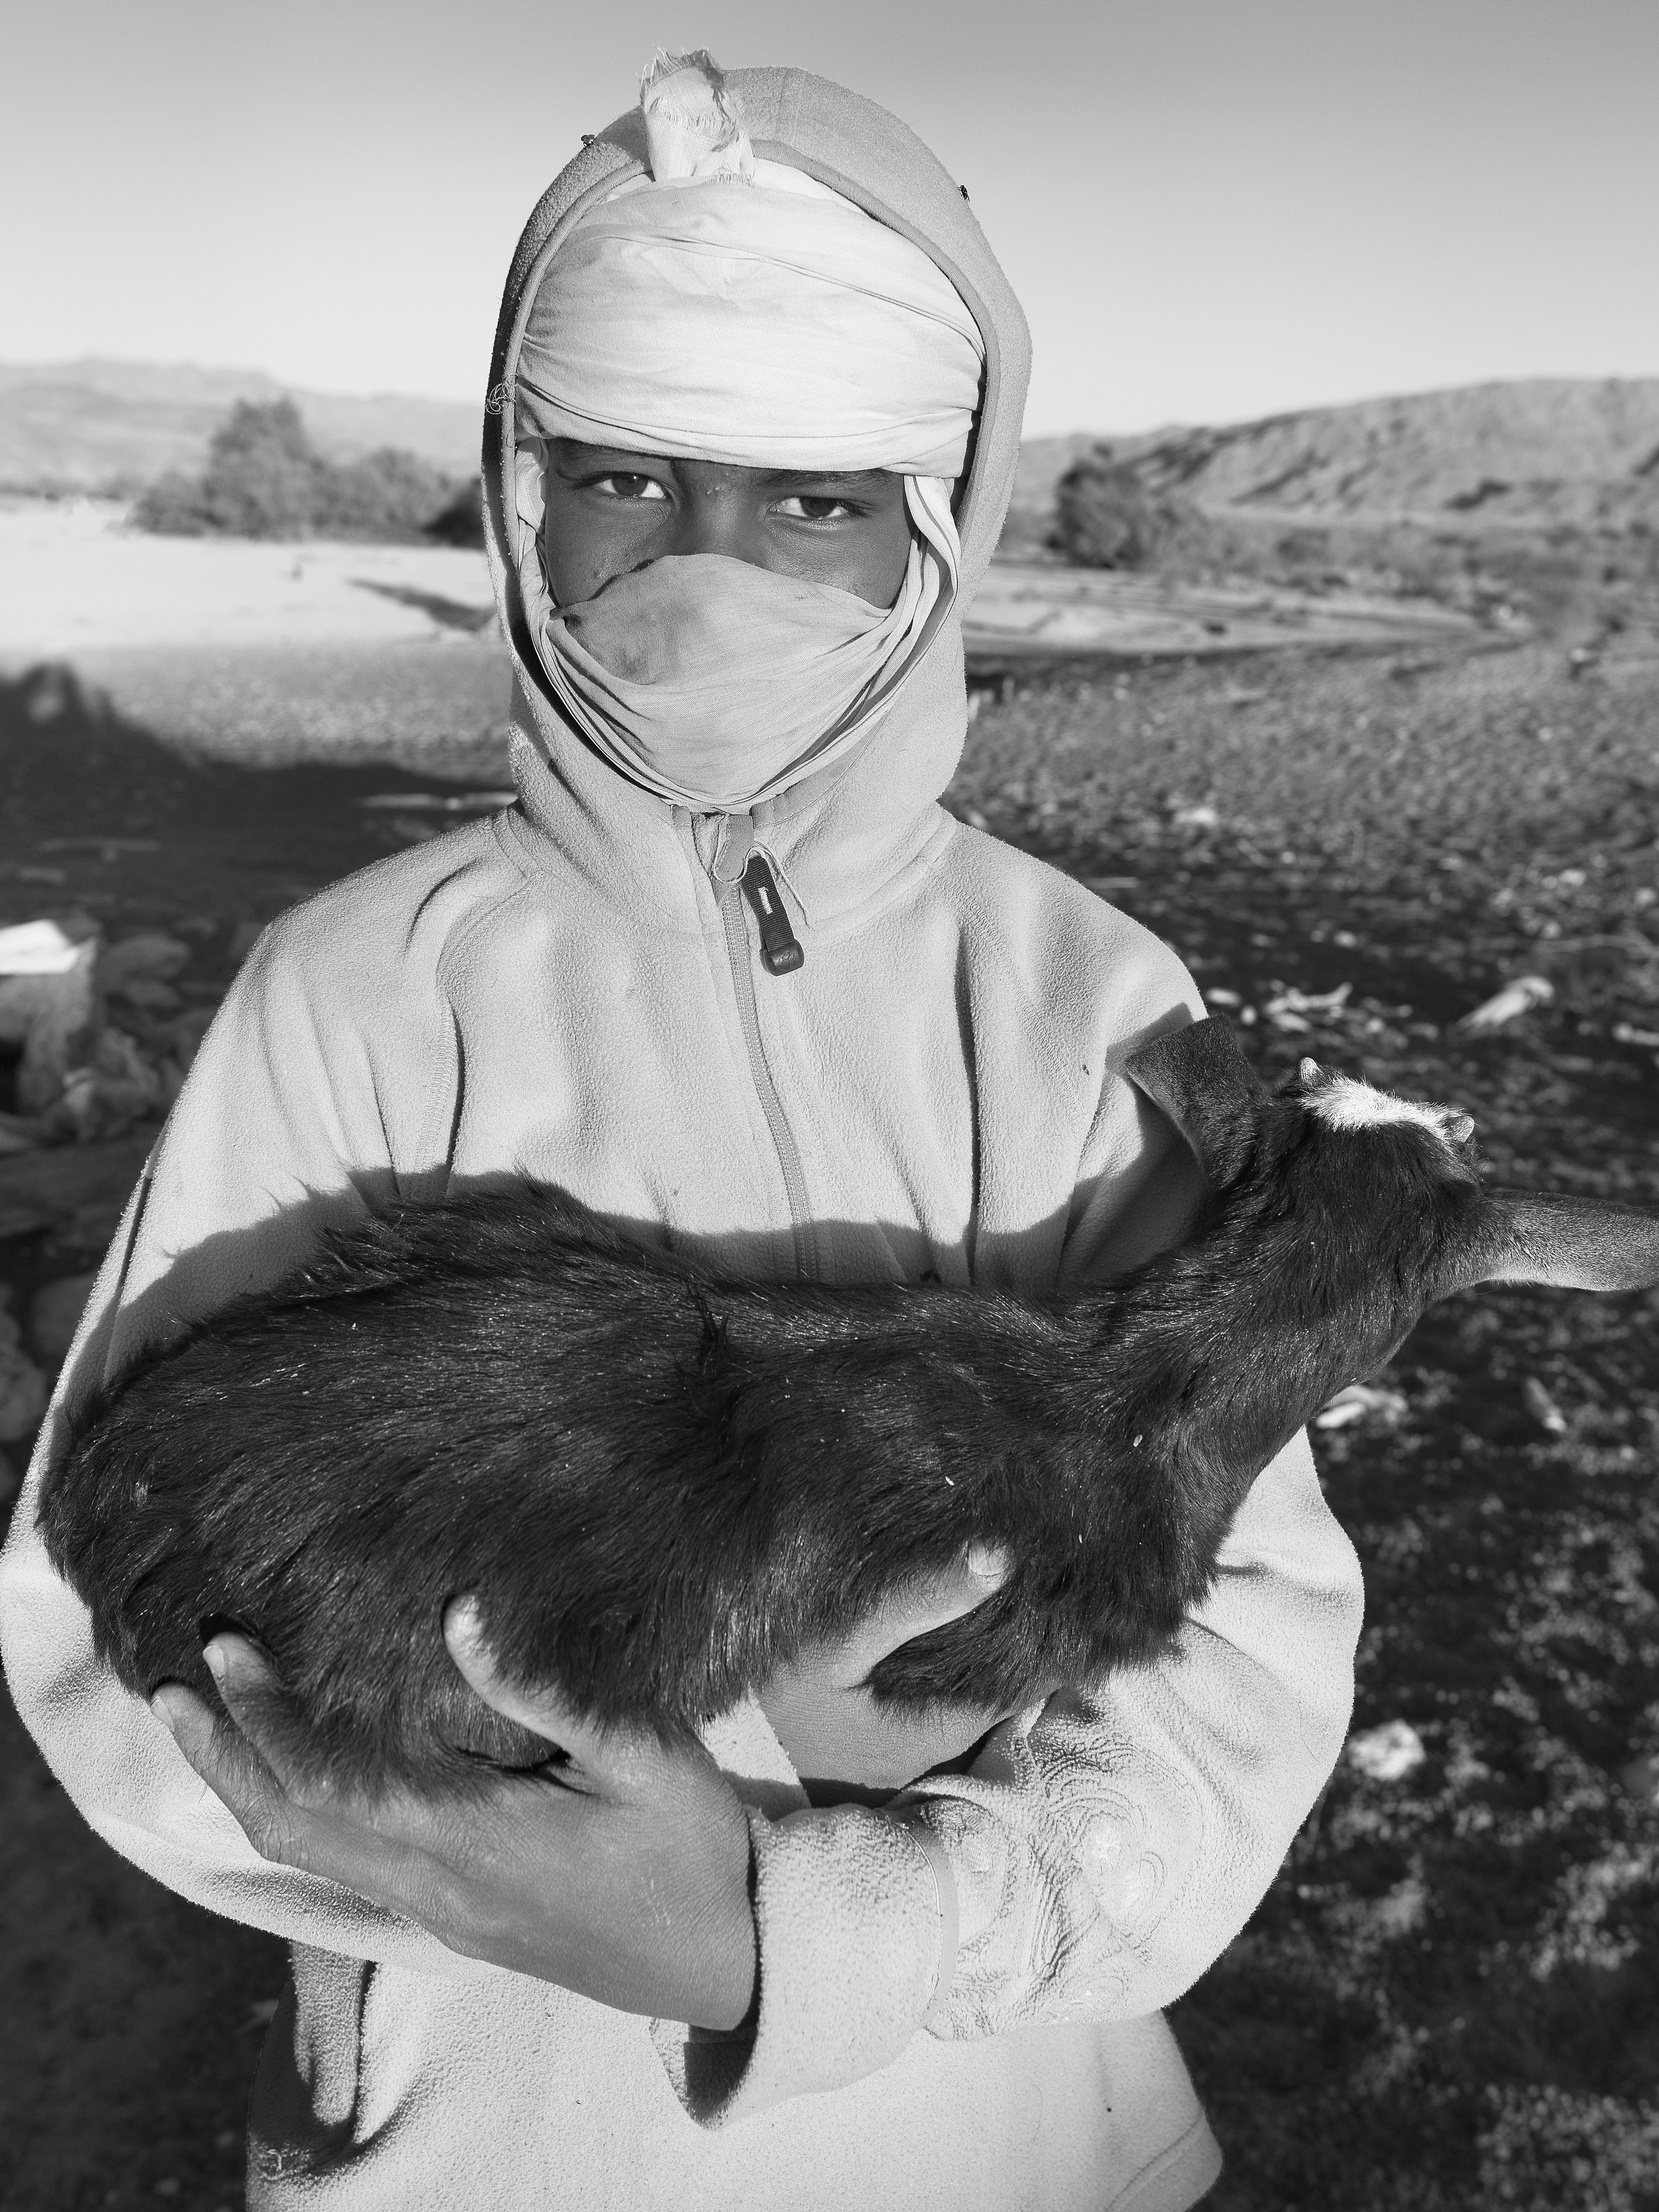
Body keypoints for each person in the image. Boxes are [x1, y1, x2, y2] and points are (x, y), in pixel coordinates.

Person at [0, 55, 1363, 2212]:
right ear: (518, 486)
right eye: (625, 473)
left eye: (812, 497)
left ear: (934, 521)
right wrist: (496, 1842)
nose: (703, 566)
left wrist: (812, 1926)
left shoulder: (1084, 1007)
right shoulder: (355, 995)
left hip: (1011, 2151)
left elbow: (1249, 1632)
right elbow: (107, 1618)